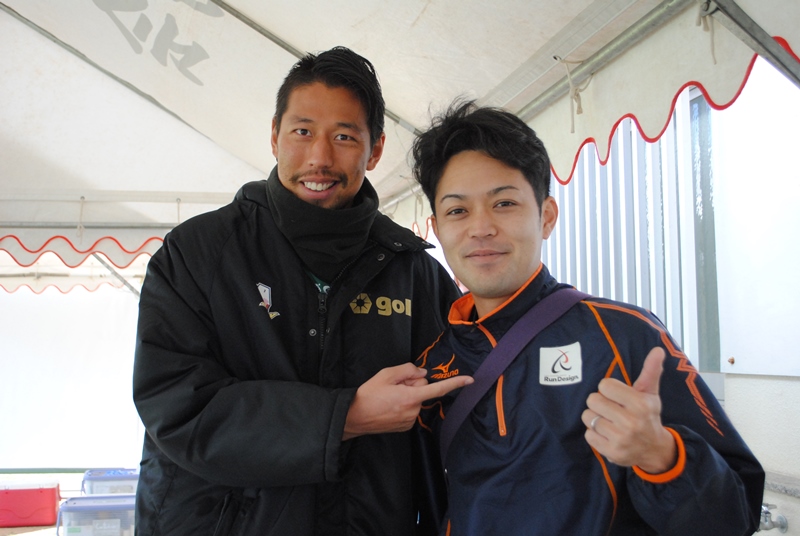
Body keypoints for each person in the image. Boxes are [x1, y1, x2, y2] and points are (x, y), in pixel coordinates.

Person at [132, 47, 471, 536]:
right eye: (303, 132)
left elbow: (462, 415)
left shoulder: (414, 272)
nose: (320, 158)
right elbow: (178, 408)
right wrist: (347, 416)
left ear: (375, 149)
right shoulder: (198, 255)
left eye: (344, 137)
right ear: (275, 136)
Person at [412, 100, 765, 535]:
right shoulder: (433, 367)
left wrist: (663, 456)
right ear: (437, 229)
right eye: (457, 211)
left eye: (504, 203)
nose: (480, 227)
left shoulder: (625, 336)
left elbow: (735, 518)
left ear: (546, 216)